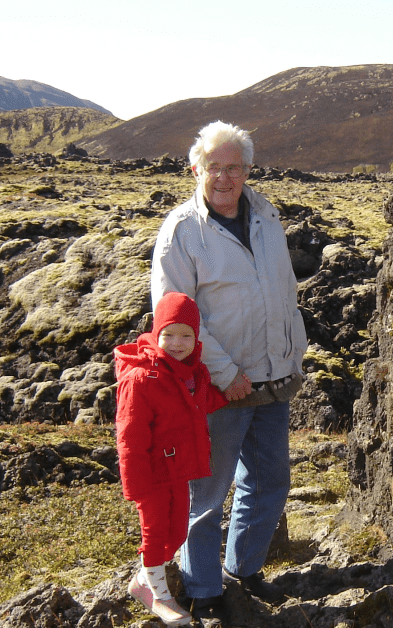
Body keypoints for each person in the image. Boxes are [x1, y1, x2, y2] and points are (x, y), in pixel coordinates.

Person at [151, 120, 307, 624]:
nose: (224, 177)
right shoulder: (182, 231)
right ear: (196, 169)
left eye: (234, 167)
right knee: (207, 492)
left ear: (247, 170)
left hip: (273, 377)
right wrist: (224, 373)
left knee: (269, 481)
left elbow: (284, 290)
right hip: (218, 387)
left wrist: (293, 352)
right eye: (213, 167)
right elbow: (174, 316)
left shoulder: (266, 216)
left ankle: (245, 570)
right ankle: (203, 588)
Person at [114, 291, 228, 626]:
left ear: (196, 338)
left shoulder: (193, 372)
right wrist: (135, 485)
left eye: (186, 336)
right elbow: (129, 437)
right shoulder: (140, 378)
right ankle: (159, 595)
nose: (177, 343)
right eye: (169, 334)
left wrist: (230, 395)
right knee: (154, 533)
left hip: (177, 469)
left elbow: (197, 405)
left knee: (177, 533)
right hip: (150, 474)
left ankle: (143, 580)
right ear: (156, 332)